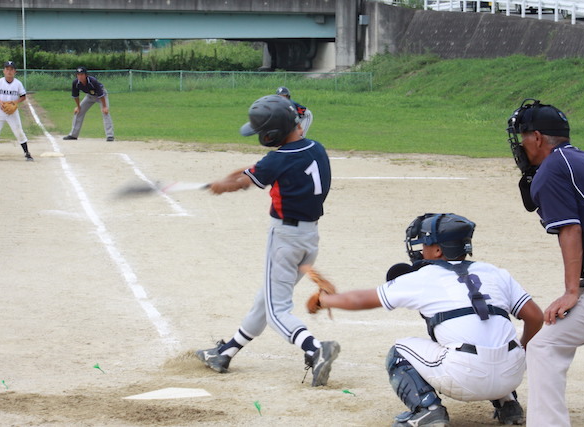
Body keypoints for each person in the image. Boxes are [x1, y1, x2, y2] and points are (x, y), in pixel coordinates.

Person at [312, 213, 544, 426]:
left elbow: (363, 299)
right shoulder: (495, 272)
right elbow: (535, 316)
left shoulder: (425, 276)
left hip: (465, 377)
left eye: (425, 243)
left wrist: (325, 301)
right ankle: (508, 404)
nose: (420, 249)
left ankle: (427, 409)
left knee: (399, 351)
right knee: (495, 343)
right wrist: (521, 350)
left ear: (438, 251)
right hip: (511, 376)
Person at [195, 94, 339, 387]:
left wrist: (222, 186)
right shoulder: (316, 148)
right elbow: (255, 171)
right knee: (267, 300)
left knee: (277, 312)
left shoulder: (276, 160)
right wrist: (228, 178)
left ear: (271, 133)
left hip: (285, 239)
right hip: (309, 239)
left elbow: (243, 182)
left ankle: (314, 348)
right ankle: (225, 352)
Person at [506, 99, 584, 426]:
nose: (520, 145)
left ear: (538, 138)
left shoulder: (552, 170)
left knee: (544, 346)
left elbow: (571, 228)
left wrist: (572, 291)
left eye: (522, 137)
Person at [0, 61, 33, 161]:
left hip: (12, 112)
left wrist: (15, 102)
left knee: (18, 131)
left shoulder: (18, 83)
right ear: (4, 71)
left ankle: (27, 153)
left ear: (15, 71)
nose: (9, 71)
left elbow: (23, 96)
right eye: (7, 69)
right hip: (0, 111)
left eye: (11, 69)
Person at [62, 66, 114, 141]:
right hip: (89, 96)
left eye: (82, 74)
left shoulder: (93, 81)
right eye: (78, 74)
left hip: (101, 96)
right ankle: (73, 135)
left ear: (86, 75)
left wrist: (104, 107)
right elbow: (76, 96)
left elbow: (101, 94)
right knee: (78, 112)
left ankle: (110, 136)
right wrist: (78, 107)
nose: (80, 76)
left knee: (105, 113)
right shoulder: (76, 83)